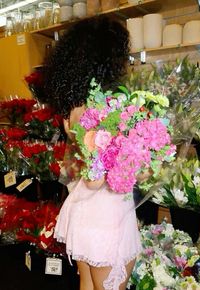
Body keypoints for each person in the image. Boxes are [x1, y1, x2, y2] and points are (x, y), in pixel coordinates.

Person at [40, 16, 142, 290]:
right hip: (107, 218)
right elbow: (98, 178)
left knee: (87, 282)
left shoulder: (73, 108)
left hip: (84, 211)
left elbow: (76, 164)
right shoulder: (107, 109)